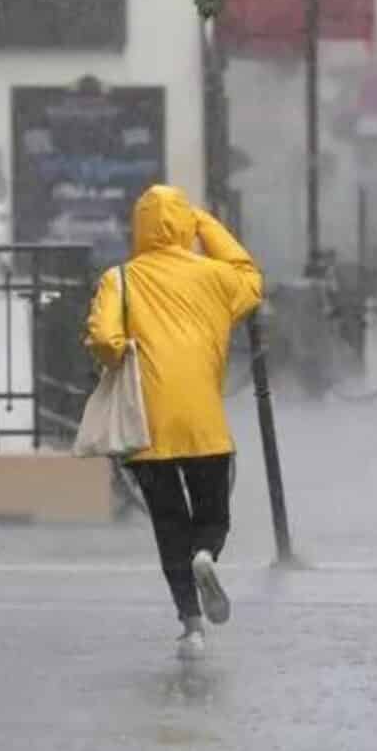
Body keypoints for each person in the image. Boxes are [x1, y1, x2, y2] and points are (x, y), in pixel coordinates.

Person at [84, 184, 262, 659]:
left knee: (169, 525)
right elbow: (249, 275)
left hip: (148, 424)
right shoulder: (217, 280)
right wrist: (204, 223)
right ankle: (207, 555)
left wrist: (118, 352)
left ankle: (191, 626)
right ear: (185, 226)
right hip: (204, 422)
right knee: (213, 514)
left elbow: (103, 336)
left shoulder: (119, 278)